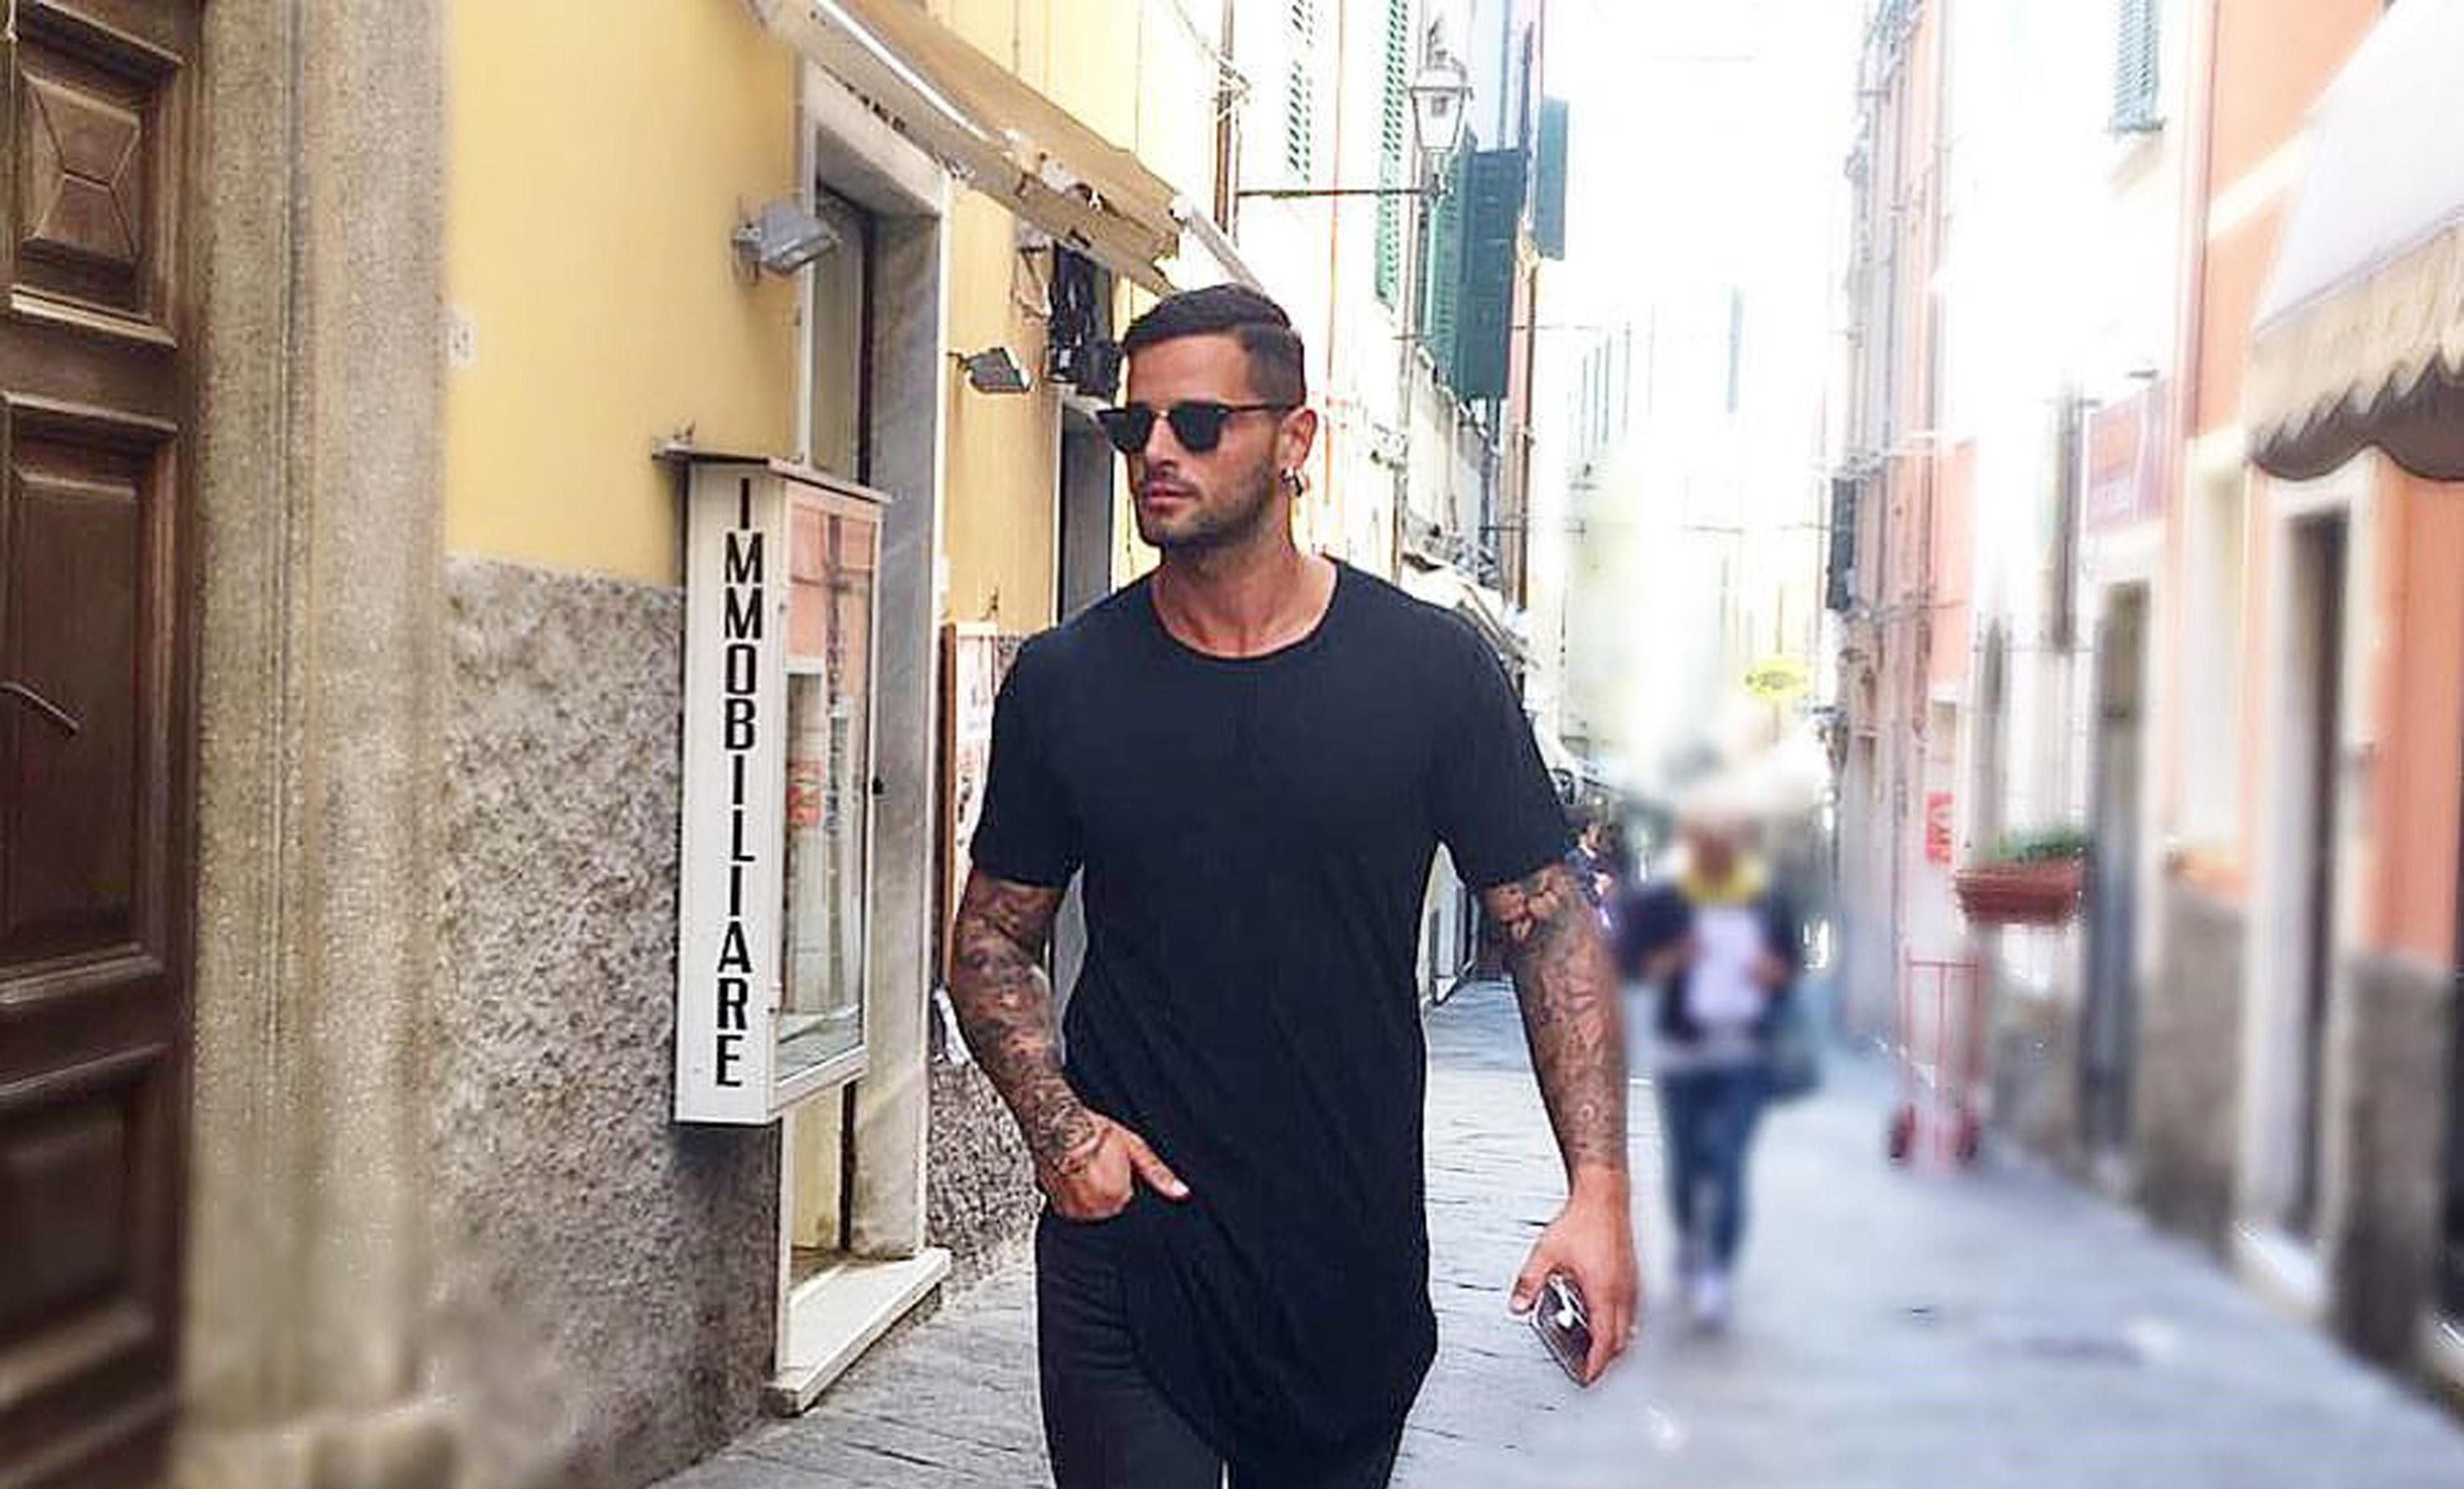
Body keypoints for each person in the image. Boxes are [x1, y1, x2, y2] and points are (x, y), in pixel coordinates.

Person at [947, 284, 1638, 1489]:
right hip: (1130, 1249)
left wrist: (1599, 1190)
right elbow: (992, 937)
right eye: (1135, 427)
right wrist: (1062, 1135)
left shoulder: (1428, 672)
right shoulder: (1067, 683)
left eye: (1198, 423)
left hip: (1344, 1253)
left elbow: (1548, 927)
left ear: (1295, 439)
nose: (1157, 452)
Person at [1616, 789, 1799, 1333]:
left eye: (1729, 840)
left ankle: (1716, 1269)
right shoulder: (1664, 898)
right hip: (1684, 1052)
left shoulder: (1766, 897)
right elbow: (1631, 967)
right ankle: (1691, 1247)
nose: (1719, 850)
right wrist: (1679, 957)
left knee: (1728, 1161)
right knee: (1685, 1164)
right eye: (1709, 840)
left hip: (1745, 1051)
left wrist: (1770, 972)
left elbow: (1790, 968)